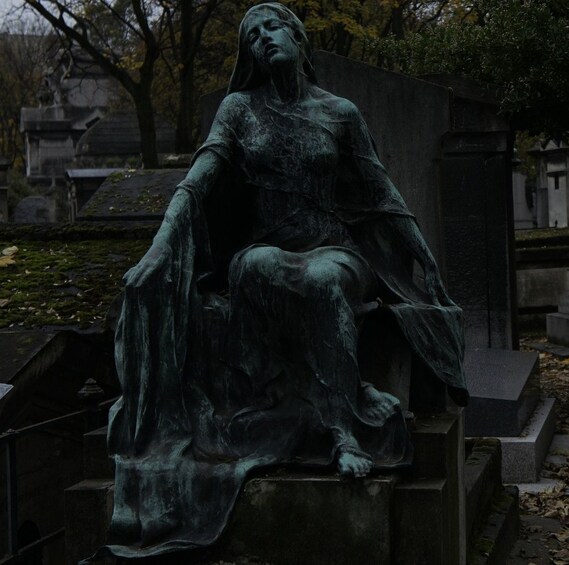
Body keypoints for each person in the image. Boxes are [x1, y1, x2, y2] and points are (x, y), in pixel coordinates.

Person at [101, 3, 466, 559]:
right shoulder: (240, 109)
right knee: (254, 265)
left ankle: (343, 432)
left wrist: (426, 263)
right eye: (252, 37)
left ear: (297, 37)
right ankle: (272, 395)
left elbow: (380, 194)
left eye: (272, 28)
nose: (263, 40)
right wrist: (160, 247)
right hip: (268, 247)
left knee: (321, 279)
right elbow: (196, 183)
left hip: (337, 250)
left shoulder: (340, 112)